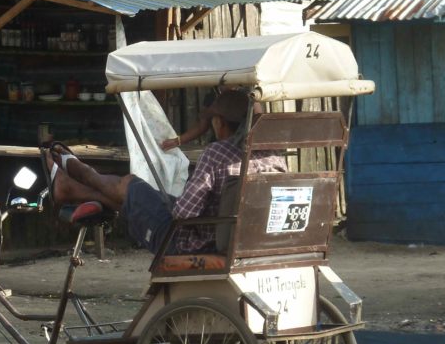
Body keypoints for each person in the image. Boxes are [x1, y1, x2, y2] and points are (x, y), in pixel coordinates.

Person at [44, 90, 285, 254]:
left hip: (191, 243)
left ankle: (78, 172)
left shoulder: (217, 153)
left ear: (219, 122)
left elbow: (183, 212)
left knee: (130, 185)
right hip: (246, 242)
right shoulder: (275, 157)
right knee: (135, 195)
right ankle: (72, 187)